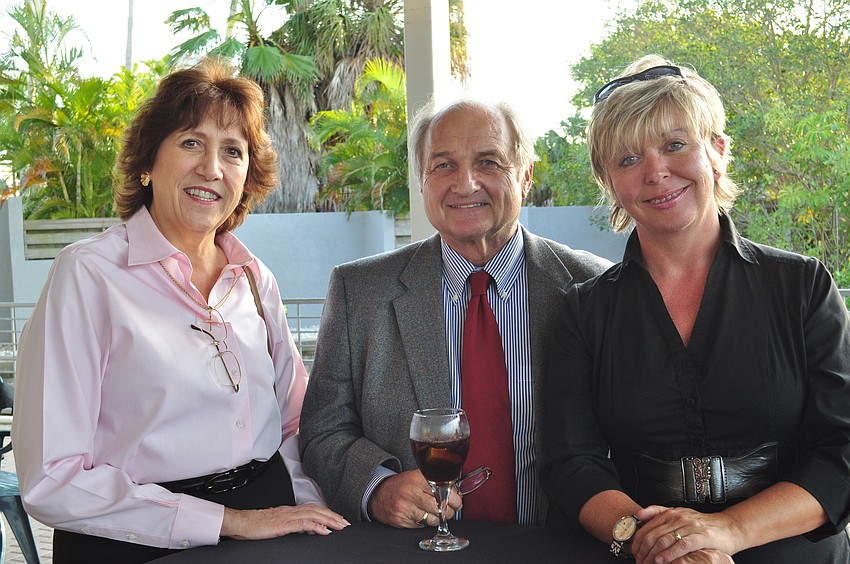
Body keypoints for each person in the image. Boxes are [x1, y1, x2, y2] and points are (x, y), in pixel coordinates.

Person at [12, 58, 348, 564]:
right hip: (133, 540)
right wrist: (225, 522)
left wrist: (308, 506)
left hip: (267, 524)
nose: (211, 168)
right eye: (191, 142)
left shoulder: (255, 279)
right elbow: (51, 477)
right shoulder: (88, 275)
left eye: (232, 151)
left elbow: (296, 428)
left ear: (246, 178)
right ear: (147, 162)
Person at [541, 54, 850, 563]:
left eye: (675, 145)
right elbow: (572, 465)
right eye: (627, 159)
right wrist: (659, 545)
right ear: (609, 183)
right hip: (645, 552)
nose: (656, 172)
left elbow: (840, 452)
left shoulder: (802, 286)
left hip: (790, 546)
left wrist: (725, 532)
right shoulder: (584, 312)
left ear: (718, 150)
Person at [299, 98, 612, 529]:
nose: (465, 184)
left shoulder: (594, 288)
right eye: (443, 165)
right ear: (422, 181)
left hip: (560, 547)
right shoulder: (360, 292)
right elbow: (322, 431)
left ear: (525, 176)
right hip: (414, 554)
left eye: (488, 162)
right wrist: (377, 486)